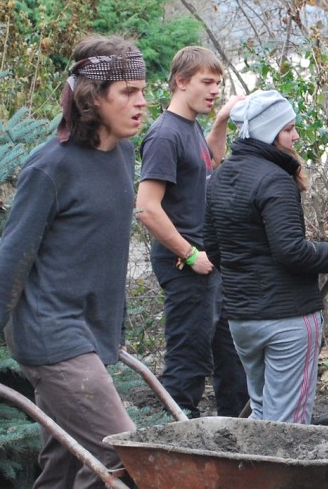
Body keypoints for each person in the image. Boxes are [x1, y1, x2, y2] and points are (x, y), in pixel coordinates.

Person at [0, 35, 148, 488]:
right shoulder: (50, 167)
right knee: (121, 455)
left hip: (84, 331)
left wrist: (111, 331)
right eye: (128, 92)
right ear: (92, 99)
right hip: (51, 334)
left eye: (142, 90)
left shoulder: (121, 153)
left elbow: (99, 255)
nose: (141, 103)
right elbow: (12, 258)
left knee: (62, 467)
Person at [203, 90, 328, 424]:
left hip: (242, 321)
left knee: (263, 412)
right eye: (288, 129)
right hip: (287, 321)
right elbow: (290, 250)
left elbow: (213, 249)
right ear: (269, 133)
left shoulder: (220, 176)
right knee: (288, 425)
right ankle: (283, 477)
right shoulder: (275, 180)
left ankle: (251, 475)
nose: (296, 135)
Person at [135, 46, 248, 418]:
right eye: (207, 82)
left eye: (218, 83)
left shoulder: (191, 127)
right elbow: (147, 208)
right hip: (186, 264)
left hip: (207, 262)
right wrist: (190, 253)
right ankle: (178, 440)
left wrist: (220, 123)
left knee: (230, 353)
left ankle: (238, 432)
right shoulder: (164, 135)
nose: (215, 90)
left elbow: (209, 161)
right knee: (189, 358)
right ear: (181, 82)